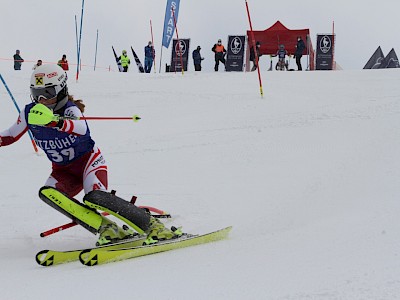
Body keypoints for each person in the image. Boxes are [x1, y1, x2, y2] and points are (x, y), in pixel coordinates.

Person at [0, 64, 181, 246]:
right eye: (36, 93)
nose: (41, 100)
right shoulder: (29, 113)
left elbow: (81, 128)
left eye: (47, 93)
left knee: (95, 197)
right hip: (63, 171)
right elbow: (9, 136)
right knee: (48, 193)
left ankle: (154, 227)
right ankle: (107, 229)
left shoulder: (70, 110)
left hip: (88, 163)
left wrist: (55, 122)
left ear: (61, 90)